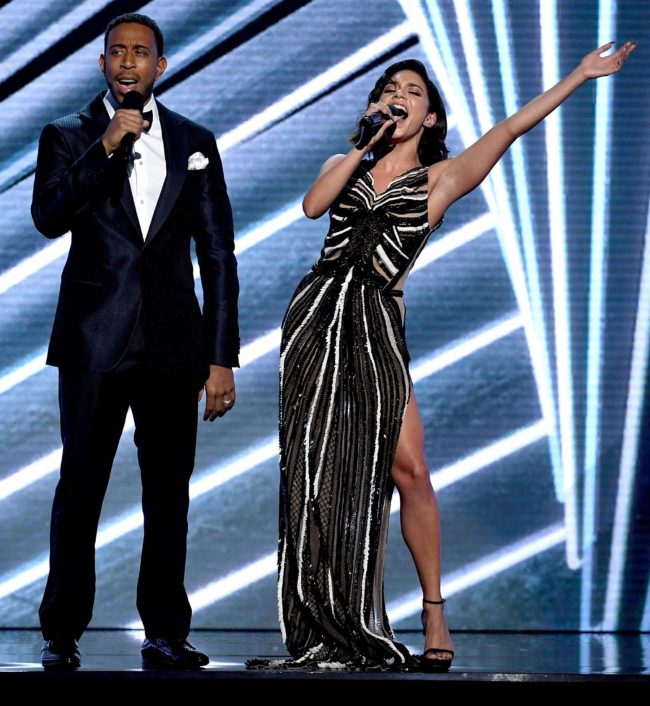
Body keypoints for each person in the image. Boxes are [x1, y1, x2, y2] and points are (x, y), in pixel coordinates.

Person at [247, 41, 636, 672]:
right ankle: (320, 620)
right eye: (388, 89)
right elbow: (314, 207)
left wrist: (580, 75)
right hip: (315, 322)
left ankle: (433, 608)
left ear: (431, 117)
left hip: (374, 324)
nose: (397, 97)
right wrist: (360, 148)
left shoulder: (441, 179)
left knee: (410, 470)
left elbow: (510, 127)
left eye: (412, 92)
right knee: (314, 475)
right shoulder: (343, 162)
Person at [31, 13, 239, 670]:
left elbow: (218, 253)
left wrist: (220, 355)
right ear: (101, 65)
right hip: (94, 341)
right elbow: (49, 215)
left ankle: (166, 631)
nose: (128, 63)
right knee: (81, 486)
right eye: (117, 52)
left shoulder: (195, 141)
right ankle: (61, 632)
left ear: (161, 66)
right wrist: (108, 146)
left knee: (168, 492)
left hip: (175, 345)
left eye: (140, 53)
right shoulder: (67, 136)